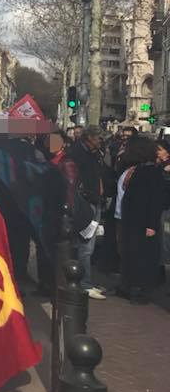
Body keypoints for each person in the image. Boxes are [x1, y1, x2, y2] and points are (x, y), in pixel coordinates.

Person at [58, 125, 110, 299]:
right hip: (86, 203)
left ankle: (85, 280)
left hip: (94, 201)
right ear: (89, 138)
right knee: (85, 245)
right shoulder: (77, 154)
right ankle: (84, 283)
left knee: (88, 244)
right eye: (98, 138)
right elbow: (73, 181)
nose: (100, 142)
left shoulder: (95, 154)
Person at [116, 135, 164, 303]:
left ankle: (139, 290)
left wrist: (151, 225)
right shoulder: (138, 169)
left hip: (143, 222)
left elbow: (155, 200)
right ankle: (130, 286)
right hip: (132, 219)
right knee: (132, 254)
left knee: (141, 257)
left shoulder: (151, 171)